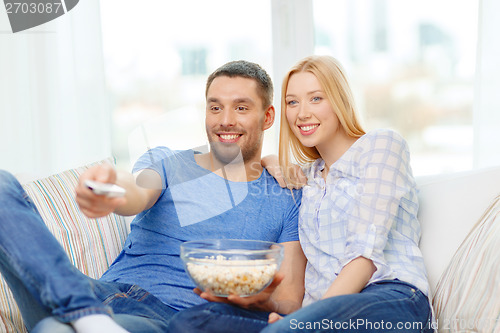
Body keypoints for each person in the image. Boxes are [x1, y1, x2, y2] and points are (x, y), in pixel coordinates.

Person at [0, 60, 306, 333]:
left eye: (241, 107)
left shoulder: (286, 196)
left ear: (267, 117)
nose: (225, 120)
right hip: (98, 291)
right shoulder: (168, 162)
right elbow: (137, 191)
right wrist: (112, 190)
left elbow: (289, 298)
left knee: (55, 327)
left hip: (168, 318)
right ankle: (84, 311)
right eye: (215, 107)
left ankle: (83, 318)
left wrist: (257, 303)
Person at [168, 55, 433, 333]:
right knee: (195, 321)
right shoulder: (306, 179)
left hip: (389, 299)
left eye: (316, 98)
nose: (302, 113)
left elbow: (364, 258)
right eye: (292, 102)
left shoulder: (381, 146)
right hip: (317, 315)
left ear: (340, 101)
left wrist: (301, 323)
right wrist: (271, 159)